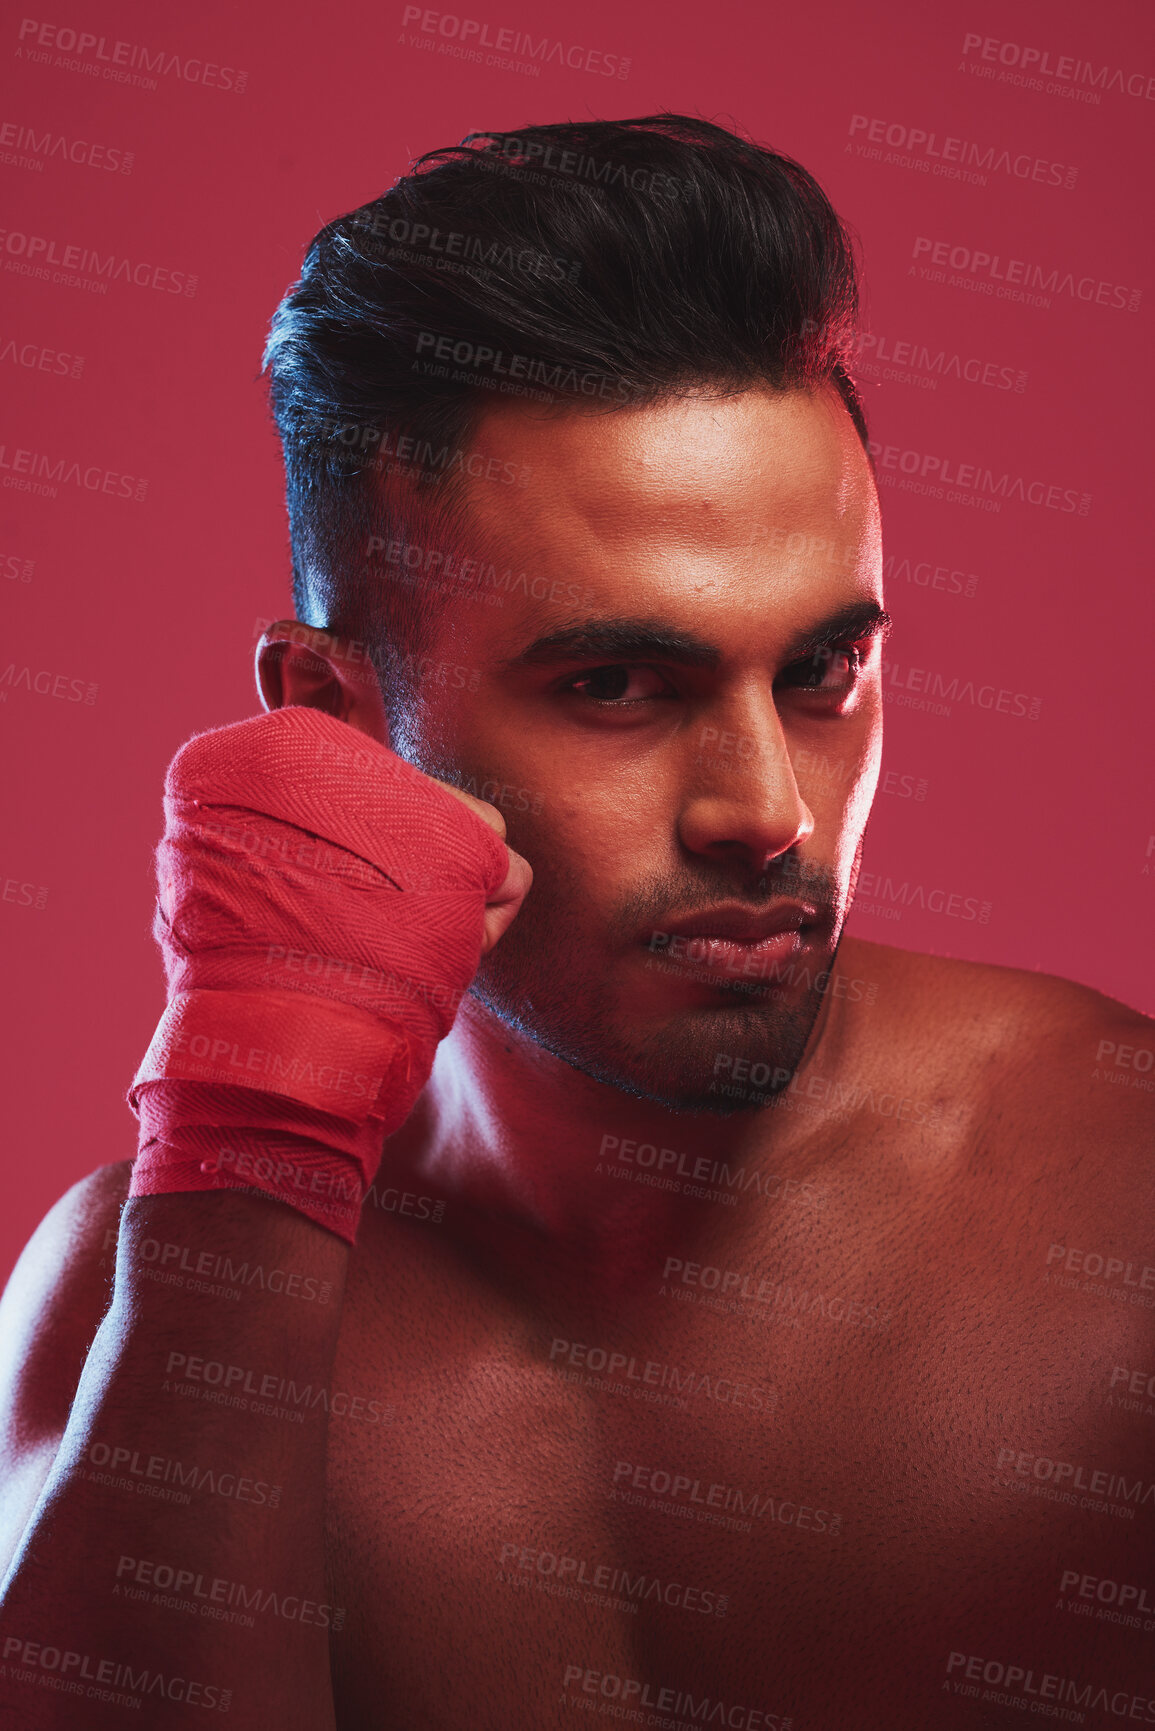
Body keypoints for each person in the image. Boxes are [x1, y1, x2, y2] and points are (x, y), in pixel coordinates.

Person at [0, 113, 1151, 1731]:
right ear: (334, 721)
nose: (770, 808)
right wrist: (246, 1164)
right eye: (616, 684)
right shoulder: (131, 1288)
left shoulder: (1120, 1200)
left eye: (820, 671)